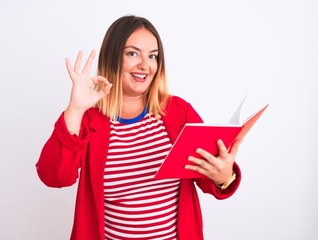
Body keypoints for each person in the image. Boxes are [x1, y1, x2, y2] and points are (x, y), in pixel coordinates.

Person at [36, 15, 243, 240]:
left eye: (152, 56)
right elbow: (54, 177)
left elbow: (210, 175)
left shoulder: (178, 111)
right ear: (112, 57)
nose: (145, 65)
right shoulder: (88, 119)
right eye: (133, 53)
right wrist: (75, 109)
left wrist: (223, 176)